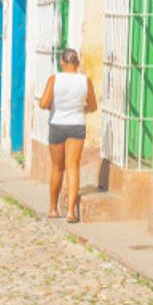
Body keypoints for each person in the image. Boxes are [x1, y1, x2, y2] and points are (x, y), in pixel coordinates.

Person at [39, 49, 98, 223]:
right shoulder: (85, 81)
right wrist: (81, 109)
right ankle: (71, 212)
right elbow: (93, 106)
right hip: (77, 126)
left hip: (57, 125)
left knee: (58, 167)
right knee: (73, 167)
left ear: (62, 63)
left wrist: (53, 106)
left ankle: (53, 208)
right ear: (77, 63)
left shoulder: (54, 79)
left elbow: (43, 103)